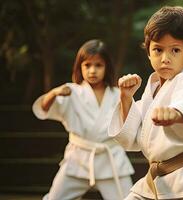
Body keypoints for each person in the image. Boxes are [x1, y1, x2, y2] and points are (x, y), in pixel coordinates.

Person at [108, 6, 183, 200]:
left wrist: (176, 114)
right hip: (159, 178)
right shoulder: (153, 86)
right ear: (148, 52)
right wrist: (126, 97)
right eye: (158, 50)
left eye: (175, 50)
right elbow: (134, 137)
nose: (165, 59)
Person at [32, 39, 134, 200]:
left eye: (98, 65)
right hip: (77, 159)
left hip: (111, 159)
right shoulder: (71, 91)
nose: (92, 71)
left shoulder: (117, 94)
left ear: (107, 67)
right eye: (87, 65)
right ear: (79, 66)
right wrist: (53, 93)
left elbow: (129, 124)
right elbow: (43, 110)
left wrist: (126, 96)